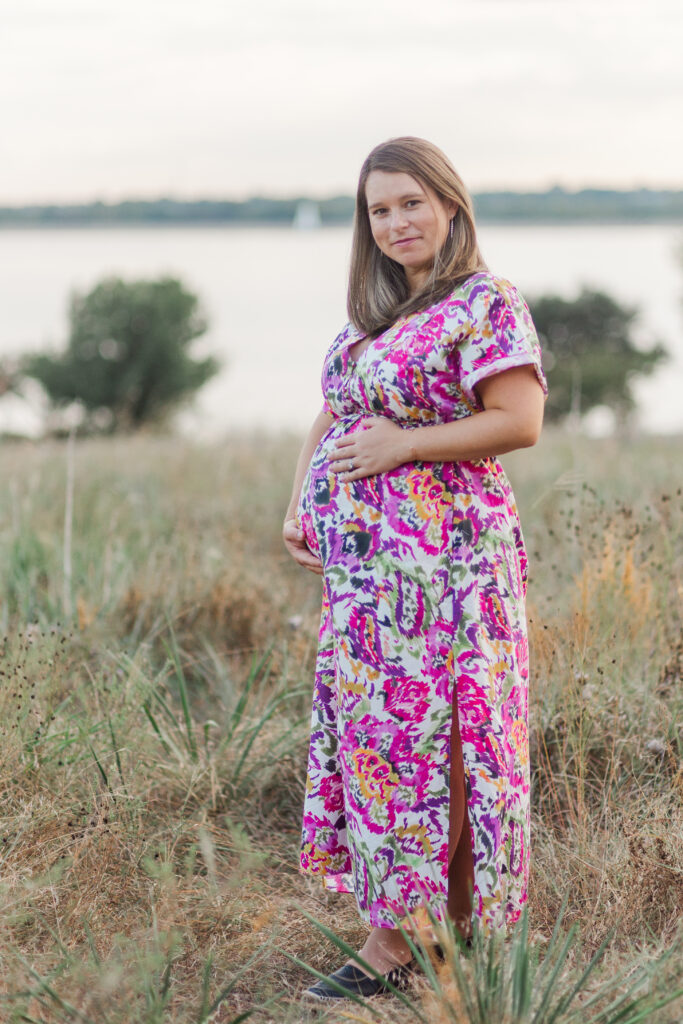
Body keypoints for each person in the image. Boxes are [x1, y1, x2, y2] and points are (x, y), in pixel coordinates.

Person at [282, 137, 547, 1003]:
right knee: (377, 744)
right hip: (367, 584)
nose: (394, 222)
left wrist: (405, 445)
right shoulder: (378, 312)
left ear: (449, 203)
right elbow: (334, 412)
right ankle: (420, 927)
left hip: (448, 570)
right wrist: (299, 502)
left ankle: (399, 940)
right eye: (378, 210)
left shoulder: (484, 302)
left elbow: (517, 421)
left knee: (443, 736)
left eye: (409, 203)